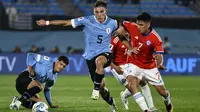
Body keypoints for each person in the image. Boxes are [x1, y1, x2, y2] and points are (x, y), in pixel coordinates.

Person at [36, 0, 118, 111]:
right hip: (90, 57)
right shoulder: (86, 20)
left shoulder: (113, 23)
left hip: (105, 54)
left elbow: (123, 34)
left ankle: (95, 90)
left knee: (100, 61)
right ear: (94, 11)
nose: (99, 14)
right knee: (102, 87)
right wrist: (46, 23)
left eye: (101, 11)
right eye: (96, 12)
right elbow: (66, 23)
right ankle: (111, 102)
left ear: (105, 11)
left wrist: (128, 47)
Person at [115, 12, 173, 112]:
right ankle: (146, 109)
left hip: (149, 66)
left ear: (148, 25)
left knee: (161, 91)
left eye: (141, 25)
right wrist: (129, 46)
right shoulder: (132, 26)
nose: (138, 27)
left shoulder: (155, 38)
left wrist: (159, 64)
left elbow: (159, 55)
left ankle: (167, 100)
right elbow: (121, 25)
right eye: (137, 24)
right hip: (135, 63)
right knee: (132, 84)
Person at [110, 36, 157, 111]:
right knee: (132, 87)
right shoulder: (115, 40)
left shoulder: (134, 38)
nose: (127, 33)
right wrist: (115, 67)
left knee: (143, 82)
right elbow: (107, 56)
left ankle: (151, 108)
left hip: (130, 65)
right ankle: (145, 109)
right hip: (119, 67)